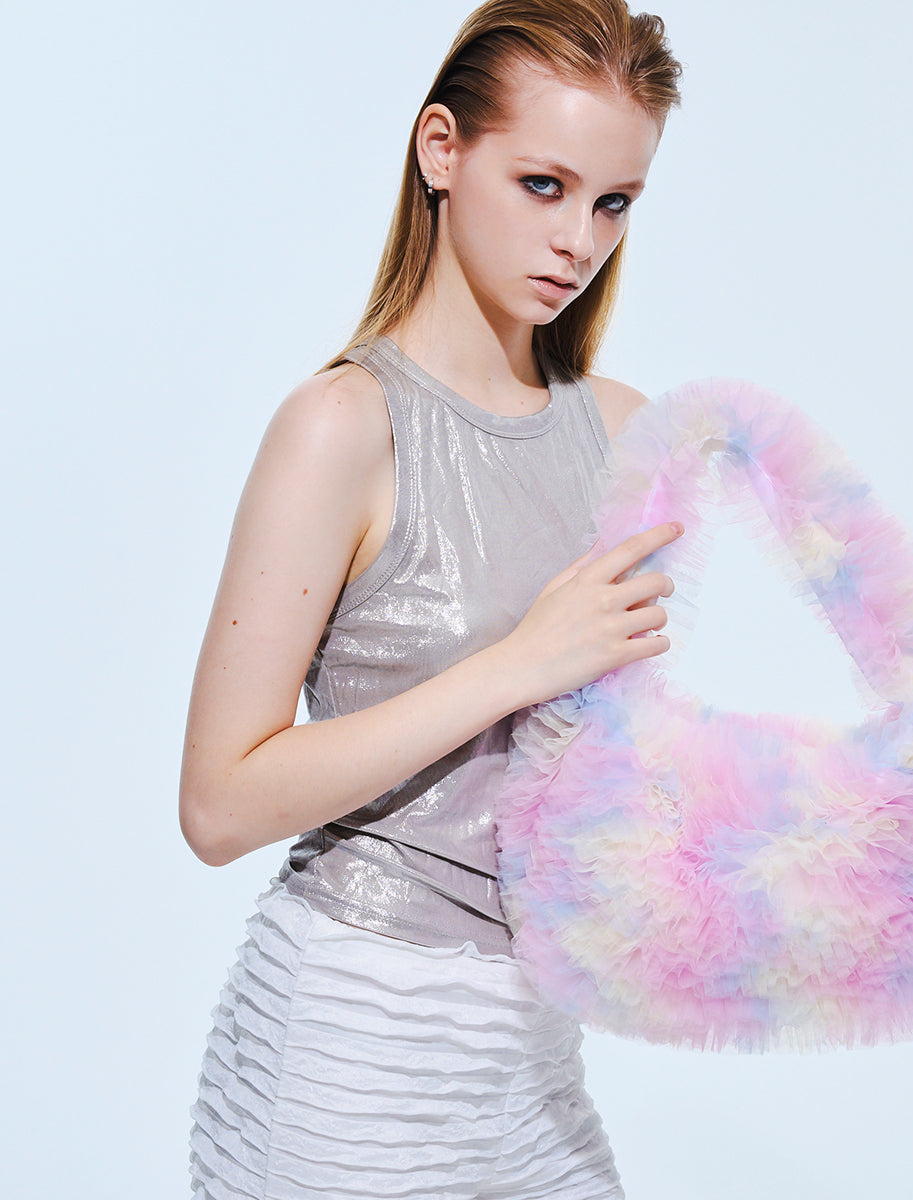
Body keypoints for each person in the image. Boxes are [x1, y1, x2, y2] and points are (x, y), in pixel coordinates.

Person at [181, 1, 683, 1196]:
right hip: (356, 1045)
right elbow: (218, 804)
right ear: (442, 150)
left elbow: (597, 771)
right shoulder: (343, 427)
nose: (578, 240)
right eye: (544, 184)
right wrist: (518, 664)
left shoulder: (624, 432)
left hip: (539, 1054)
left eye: (614, 202)